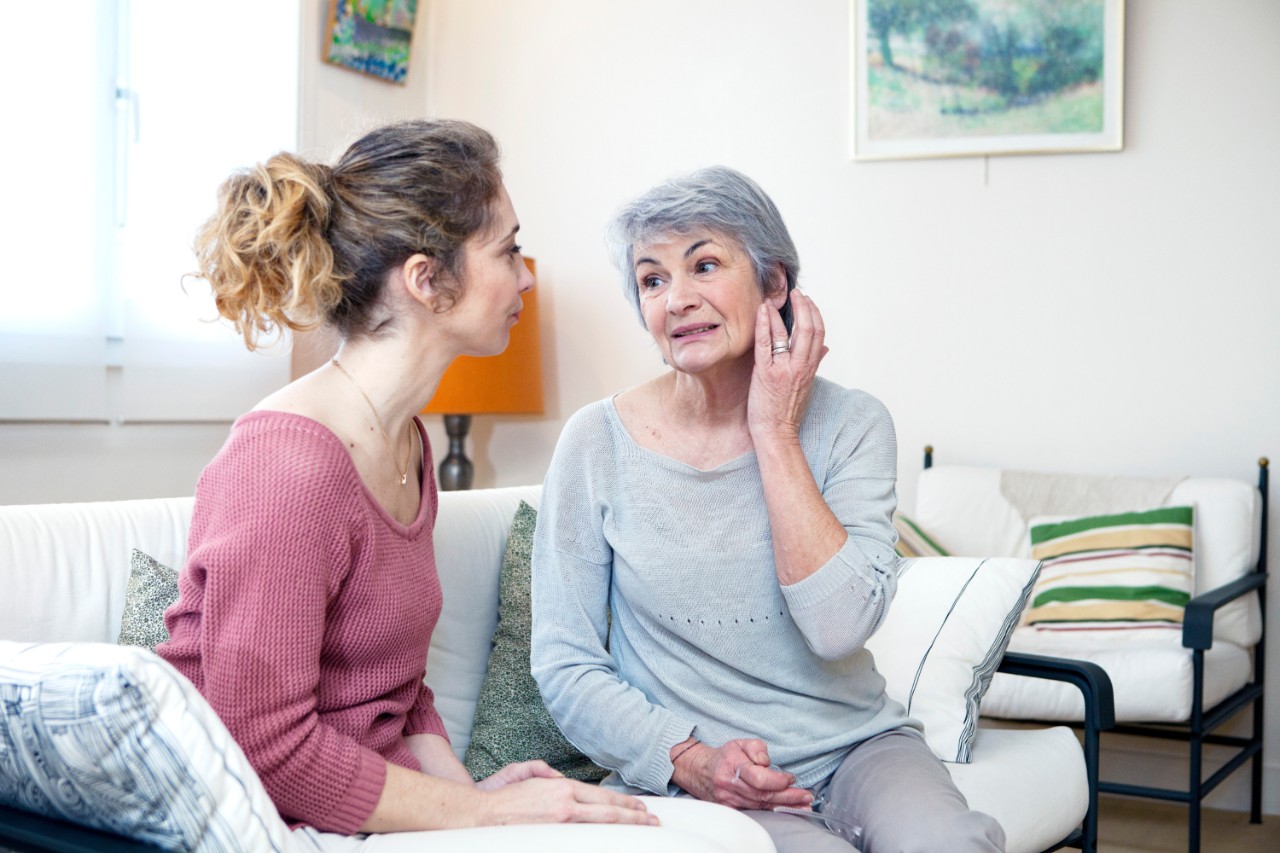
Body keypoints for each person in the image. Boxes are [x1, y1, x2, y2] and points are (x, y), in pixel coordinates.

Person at [156, 119, 655, 846]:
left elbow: (392, 692)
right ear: (426, 279)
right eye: (507, 249)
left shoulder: (405, 443)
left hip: (353, 813)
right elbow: (261, 746)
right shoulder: (286, 467)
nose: (525, 275)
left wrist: (472, 793)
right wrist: (485, 816)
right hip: (241, 818)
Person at [529, 166, 1006, 853]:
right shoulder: (595, 442)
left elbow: (838, 627)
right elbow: (566, 663)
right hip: (700, 772)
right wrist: (688, 758)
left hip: (857, 750)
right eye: (653, 279)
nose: (677, 299)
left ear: (775, 282)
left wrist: (774, 430)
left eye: (705, 264)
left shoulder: (853, 424)